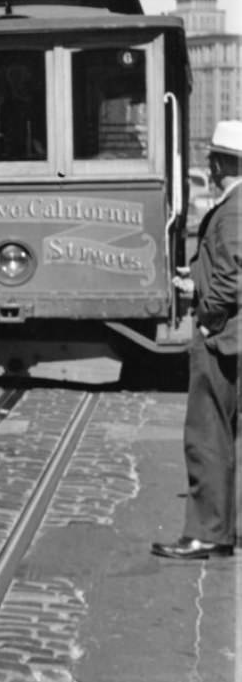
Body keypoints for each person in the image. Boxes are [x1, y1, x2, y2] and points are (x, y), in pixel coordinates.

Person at [152, 119, 242, 560]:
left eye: (212, 158)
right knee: (221, 436)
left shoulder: (234, 209)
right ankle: (219, 528)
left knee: (207, 435)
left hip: (224, 338)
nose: (208, 163)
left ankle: (208, 533)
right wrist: (197, 277)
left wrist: (207, 319)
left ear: (223, 163)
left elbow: (231, 280)